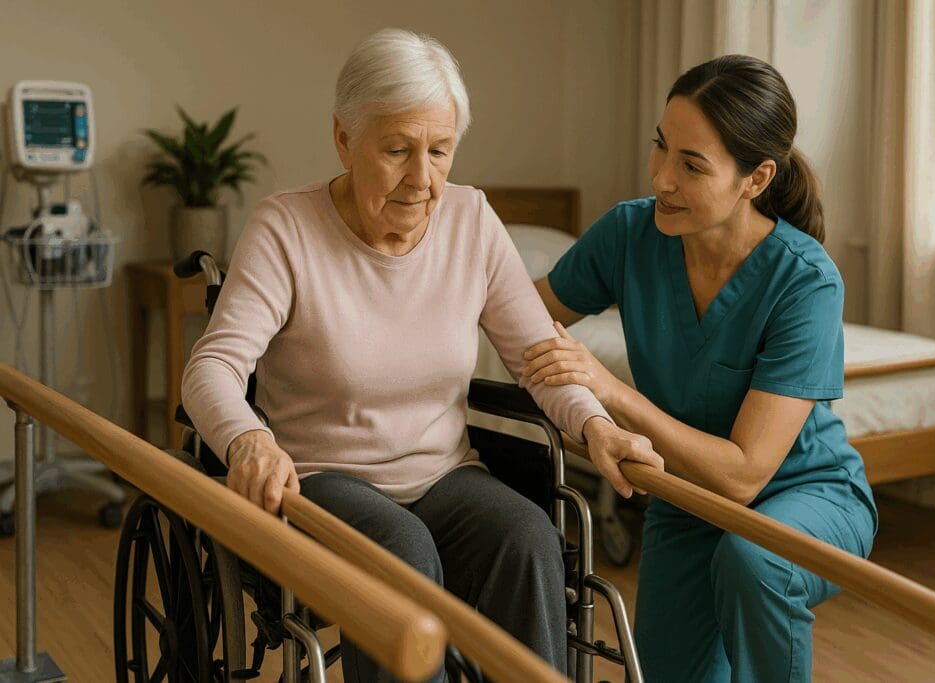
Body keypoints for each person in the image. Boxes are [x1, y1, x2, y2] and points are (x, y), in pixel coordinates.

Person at [182, 28, 662, 681]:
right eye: (398, 149)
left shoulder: (472, 220)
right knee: (399, 551)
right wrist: (246, 440)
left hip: (444, 475)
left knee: (526, 537)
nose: (423, 178)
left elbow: (538, 356)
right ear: (343, 140)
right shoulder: (287, 229)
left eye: (440, 151)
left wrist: (596, 426)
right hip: (321, 481)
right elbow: (212, 366)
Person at [522, 55, 877, 682]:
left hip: (806, 494)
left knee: (753, 559)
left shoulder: (806, 281)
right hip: (685, 499)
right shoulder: (630, 234)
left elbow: (743, 477)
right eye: (661, 148)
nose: (661, 178)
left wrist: (607, 391)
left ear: (756, 178)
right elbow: (525, 315)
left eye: (691, 165)